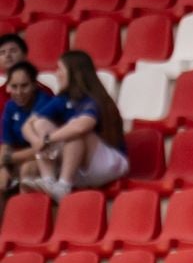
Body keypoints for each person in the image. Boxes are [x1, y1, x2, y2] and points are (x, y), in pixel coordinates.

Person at [16, 51, 128, 201]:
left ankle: (63, 186)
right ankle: (48, 180)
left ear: (74, 73)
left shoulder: (93, 99)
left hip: (109, 165)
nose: (56, 74)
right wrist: (37, 142)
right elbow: (28, 125)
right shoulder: (62, 99)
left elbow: (82, 126)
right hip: (79, 168)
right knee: (41, 124)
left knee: (74, 133)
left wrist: (48, 140)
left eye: (60, 69)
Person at [1, 59, 65, 195]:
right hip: (20, 156)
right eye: (14, 86)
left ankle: (29, 214)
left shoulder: (46, 104)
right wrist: (3, 167)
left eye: (24, 86)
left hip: (51, 158)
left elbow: (43, 146)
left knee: (28, 170)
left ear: (34, 85)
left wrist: (9, 159)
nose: (19, 92)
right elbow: (6, 143)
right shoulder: (10, 106)